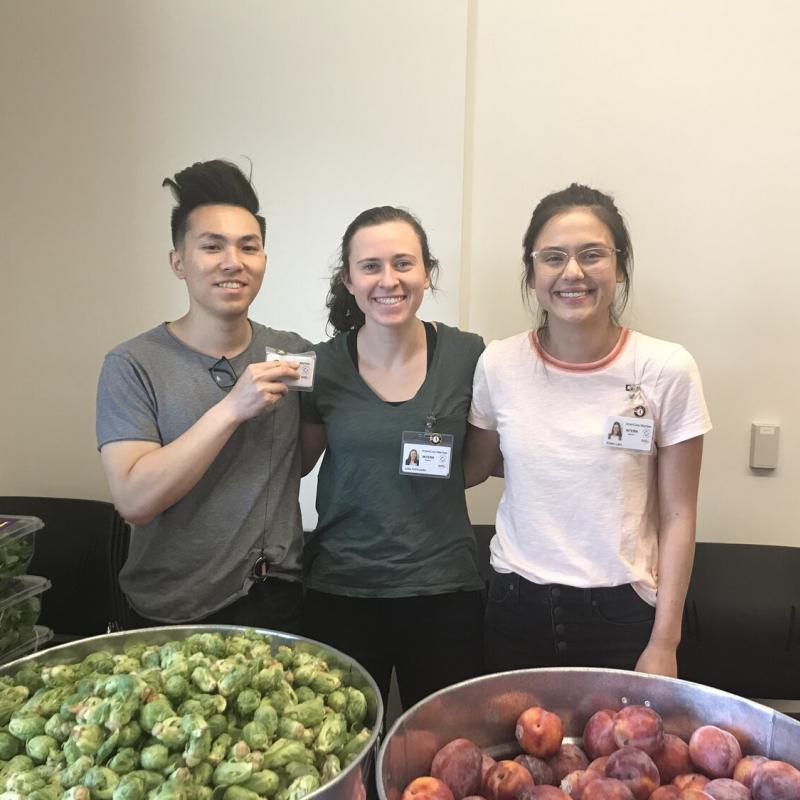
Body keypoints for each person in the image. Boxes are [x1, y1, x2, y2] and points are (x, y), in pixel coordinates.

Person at [464, 183, 711, 678]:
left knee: (620, 757)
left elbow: (679, 513)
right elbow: (478, 465)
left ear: (619, 267)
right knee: (512, 756)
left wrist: (666, 640)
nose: (572, 272)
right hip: (514, 604)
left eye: (592, 255)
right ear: (532, 272)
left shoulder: (666, 367)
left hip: (622, 614)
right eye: (552, 257)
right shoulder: (499, 363)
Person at [96, 159, 310, 629]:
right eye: (212, 246)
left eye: (248, 247)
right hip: (168, 611)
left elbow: (308, 450)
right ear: (178, 262)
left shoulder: (293, 354)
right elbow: (134, 499)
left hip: (276, 599)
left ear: (264, 262)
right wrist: (233, 407)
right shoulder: (132, 364)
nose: (233, 261)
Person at [300, 206, 485, 710]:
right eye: (371, 266)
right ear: (349, 279)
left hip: (445, 592)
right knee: (346, 752)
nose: (389, 280)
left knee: (443, 756)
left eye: (404, 263)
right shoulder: (321, 366)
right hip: (342, 592)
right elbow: (294, 465)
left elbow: (479, 461)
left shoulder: (469, 355)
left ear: (427, 271)